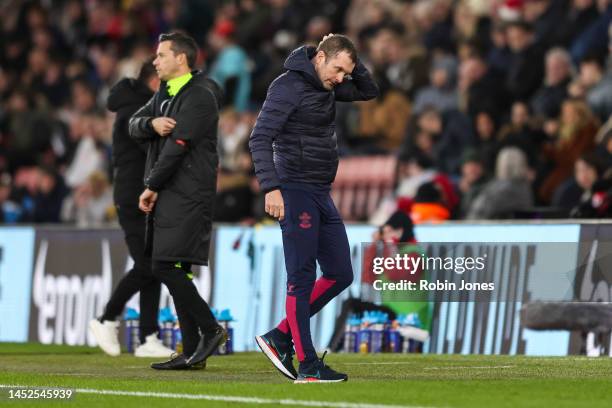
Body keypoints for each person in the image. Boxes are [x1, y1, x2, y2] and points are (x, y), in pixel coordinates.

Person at [249, 34, 379, 383]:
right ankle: (307, 365)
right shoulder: (288, 86)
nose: (341, 79)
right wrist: (271, 188)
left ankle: (279, 337)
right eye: (337, 69)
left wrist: (351, 59)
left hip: (320, 191)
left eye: (345, 73)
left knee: (341, 273)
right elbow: (259, 137)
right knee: (301, 278)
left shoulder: (328, 85)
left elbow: (368, 90)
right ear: (319, 58)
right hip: (293, 189)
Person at [129, 32, 225, 370]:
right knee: (175, 265)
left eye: (161, 55)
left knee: (164, 265)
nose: (155, 61)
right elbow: (133, 124)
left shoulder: (199, 95)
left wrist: (151, 184)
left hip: (188, 192)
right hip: (171, 190)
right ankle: (191, 351)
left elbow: (179, 145)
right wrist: (151, 124)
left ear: (180, 59)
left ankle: (210, 330)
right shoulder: (165, 95)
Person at [88, 58, 175, 358]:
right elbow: (151, 150)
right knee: (149, 265)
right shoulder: (134, 112)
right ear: (155, 83)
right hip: (132, 197)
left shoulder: (136, 106)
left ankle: (148, 337)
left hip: (144, 195)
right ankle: (106, 318)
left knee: (153, 264)